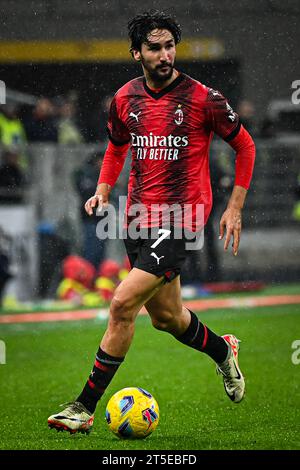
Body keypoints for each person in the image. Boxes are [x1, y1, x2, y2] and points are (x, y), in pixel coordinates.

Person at [48, 10, 256, 434]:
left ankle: (83, 407)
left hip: (181, 218)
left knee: (122, 303)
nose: (165, 55)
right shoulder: (125, 98)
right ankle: (222, 350)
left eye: (169, 46)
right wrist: (105, 188)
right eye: (155, 47)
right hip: (138, 217)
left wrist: (234, 207)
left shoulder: (204, 99)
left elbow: (246, 146)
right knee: (167, 318)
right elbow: (116, 146)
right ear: (137, 53)